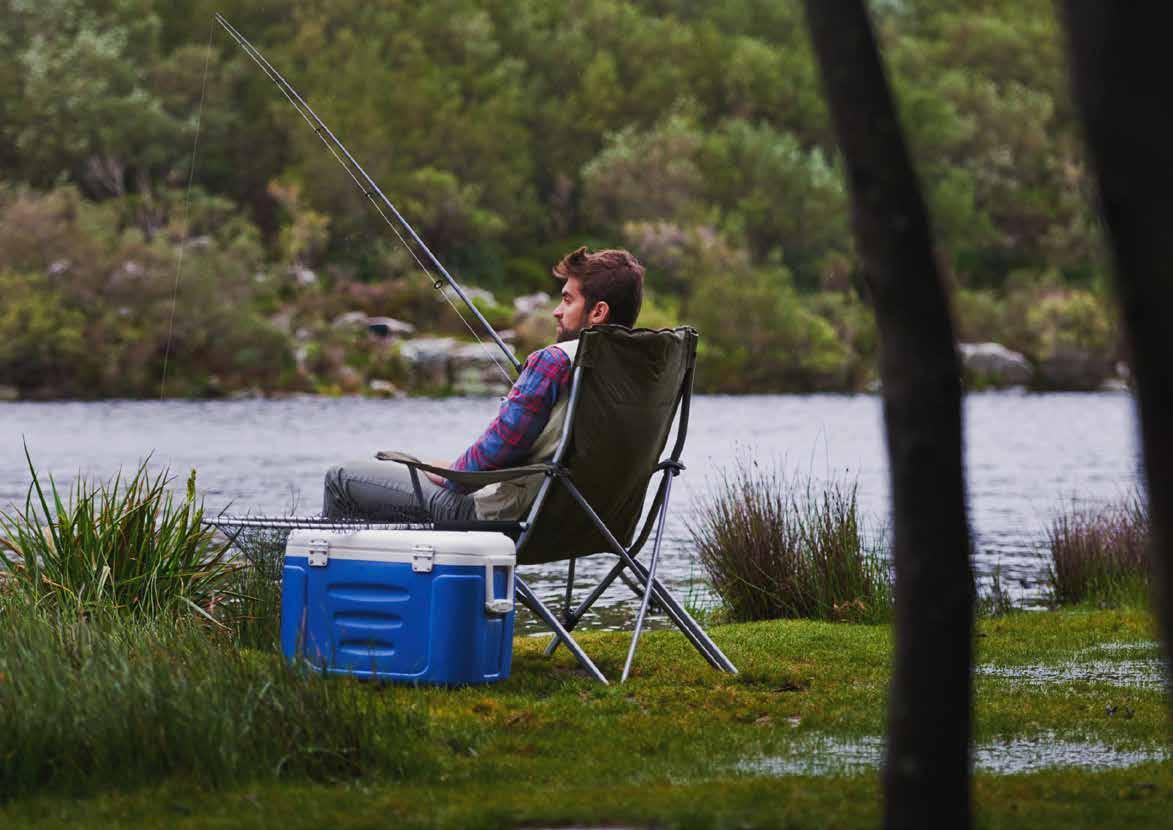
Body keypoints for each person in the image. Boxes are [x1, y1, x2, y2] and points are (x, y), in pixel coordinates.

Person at [322, 246, 645, 523]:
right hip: (593, 521)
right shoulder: (638, 367)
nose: (556, 312)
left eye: (567, 300)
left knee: (341, 478)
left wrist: (445, 471)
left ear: (598, 312)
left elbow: (492, 456)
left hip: (508, 514)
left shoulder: (555, 361)